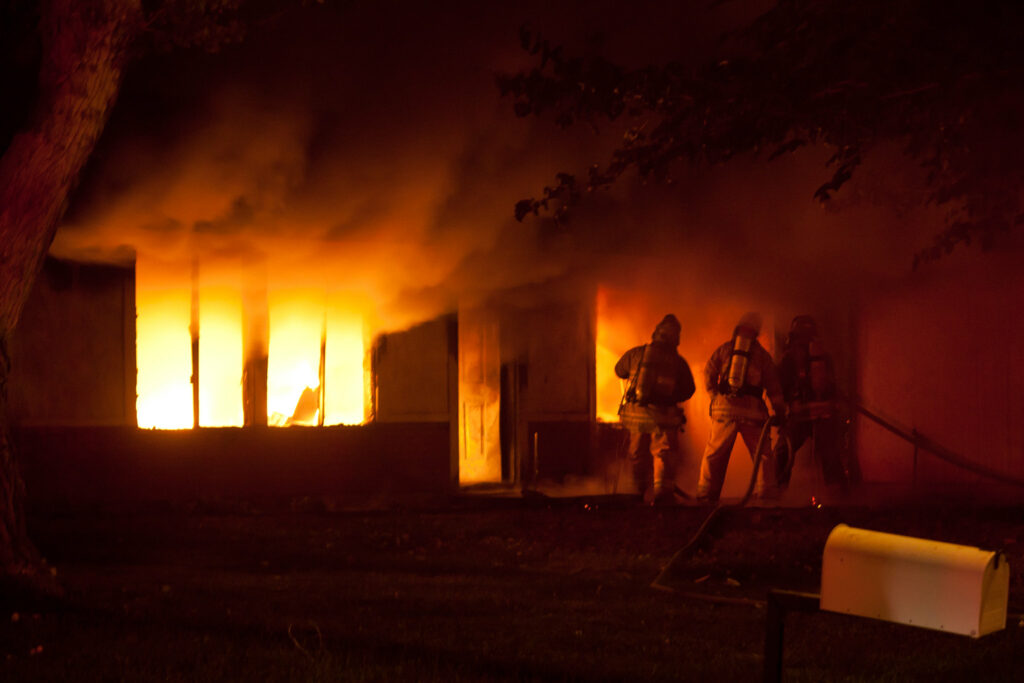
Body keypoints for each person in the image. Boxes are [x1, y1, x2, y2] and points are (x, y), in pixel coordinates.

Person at [697, 312, 785, 504]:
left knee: (715, 453)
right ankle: (767, 493)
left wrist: (715, 397)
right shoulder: (762, 356)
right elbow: (774, 388)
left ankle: (706, 495)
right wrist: (780, 413)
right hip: (753, 413)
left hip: (724, 410)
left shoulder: (725, 349)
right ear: (757, 333)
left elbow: (708, 373)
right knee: (762, 455)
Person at [615, 314, 696, 504]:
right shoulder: (678, 361)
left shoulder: (636, 354)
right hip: (664, 416)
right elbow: (689, 389)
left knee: (637, 453)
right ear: (676, 338)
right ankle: (662, 495)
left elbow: (619, 370)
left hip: (638, 415)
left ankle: (637, 492)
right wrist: (671, 398)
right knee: (663, 454)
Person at [774, 315, 847, 490]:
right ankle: (838, 495)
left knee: (783, 453)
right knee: (831, 456)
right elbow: (832, 384)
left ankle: (778, 491)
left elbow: (780, 387)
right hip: (824, 414)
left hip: (800, 415)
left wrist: (783, 410)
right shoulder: (824, 357)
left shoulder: (788, 358)